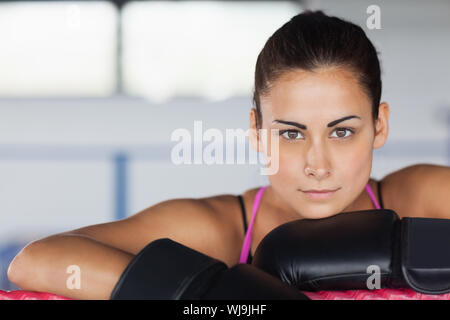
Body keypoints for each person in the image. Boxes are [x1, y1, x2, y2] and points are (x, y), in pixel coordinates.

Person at [7, 10, 450, 300]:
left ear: (380, 126)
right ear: (257, 132)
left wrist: (407, 254)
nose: (318, 164)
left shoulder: (418, 197)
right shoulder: (223, 228)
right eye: (292, 135)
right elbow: (37, 260)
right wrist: (216, 296)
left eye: (342, 132)